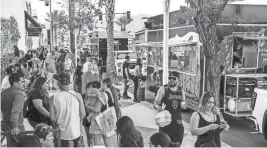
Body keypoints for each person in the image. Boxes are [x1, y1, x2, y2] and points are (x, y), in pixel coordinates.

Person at [49, 72, 86, 147]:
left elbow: (52, 118)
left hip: (61, 134)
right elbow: (83, 114)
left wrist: (55, 128)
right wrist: (75, 121)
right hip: (75, 132)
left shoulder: (53, 98)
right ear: (69, 83)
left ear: (58, 83)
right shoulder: (77, 95)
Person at [153, 71, 187, 144]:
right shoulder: (163, 89)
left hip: (177, 121)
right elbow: (155, 103)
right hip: (165, 122)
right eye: (170, 78)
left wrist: (184, 106)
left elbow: (184, 104)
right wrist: (158, 107)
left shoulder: (181, 90)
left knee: (177, 144)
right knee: (165, 144)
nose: (171, 80)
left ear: (178, 80)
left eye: (174, 78)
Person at [1, 73, 26, 146]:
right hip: (16, 127)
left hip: (5, 124)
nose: (23, 84)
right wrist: (15, 127)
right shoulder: (18, 94)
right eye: (22, 82)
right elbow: (15, 112)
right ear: (15, 83)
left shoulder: (4, 92)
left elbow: (2, 108)